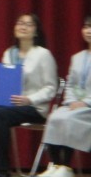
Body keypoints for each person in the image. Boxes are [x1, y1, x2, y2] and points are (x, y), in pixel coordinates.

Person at [0, 13, 58, 177]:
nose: (23, 27)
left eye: (28, 24)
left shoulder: (43, 54)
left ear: (36, 31)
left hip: (33, 107)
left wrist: (29, 99)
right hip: (10, 105)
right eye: (20, 23)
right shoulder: (9, 53)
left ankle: (2, 170)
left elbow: (51, 87)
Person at [39, 15, 91, 177]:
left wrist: (86, 102)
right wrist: (71, 101)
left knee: (69, 119)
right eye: (86, 27)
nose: (88, 31)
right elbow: (70, 83)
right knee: (54, 117)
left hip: (88, 106)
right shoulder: (77, 58)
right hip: (74, 104)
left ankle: (66, 167)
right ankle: (56, 165)